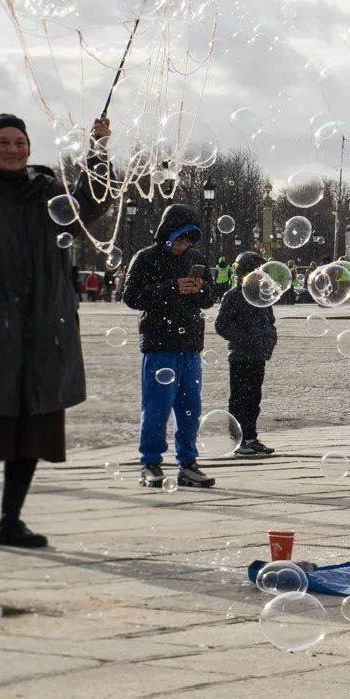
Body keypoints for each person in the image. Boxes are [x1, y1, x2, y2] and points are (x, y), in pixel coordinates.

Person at [0, 114, 107, 546]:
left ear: (29, 148)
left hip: (43, 325)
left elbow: (94, 204)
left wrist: (99, 152)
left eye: (20, 142)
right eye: (2, 142)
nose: (13, 149)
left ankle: (10, 520)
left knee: (34, 424)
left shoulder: (51, 192)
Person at [123, 202, 219, 489]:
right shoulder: (145, 258)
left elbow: (209, 298)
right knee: (156, 407)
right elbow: (130, 296)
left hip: (189, 343)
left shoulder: (196, 258)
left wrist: (201, 289)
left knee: (190, 408)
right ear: (168, 232)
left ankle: (187, 463)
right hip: (159, 343)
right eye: (180, 238)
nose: (184, 245)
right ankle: (150, 463)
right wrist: (172, 288)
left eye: (189, 240)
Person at [213, 249, 276, 457]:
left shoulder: (263, 296)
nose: (260, 275)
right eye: (255, 271)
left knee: (254, 398)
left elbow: (270, 323)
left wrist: (270, 340)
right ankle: (238, 440)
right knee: (239, 399)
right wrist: (246, 339)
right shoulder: (233, 296)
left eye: (261, 271)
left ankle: (250, 437)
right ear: (243, 273)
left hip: (258, 355)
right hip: (240, 355)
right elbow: (222, 325)